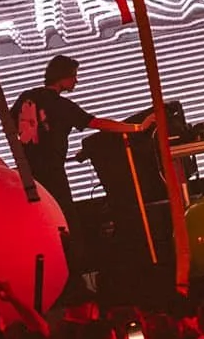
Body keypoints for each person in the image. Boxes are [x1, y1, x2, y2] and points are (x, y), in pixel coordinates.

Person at [10, 53, 145, 225]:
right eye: (73, 76)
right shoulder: (62, 106)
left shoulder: (26, 96)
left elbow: (11, 125)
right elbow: (95, 123)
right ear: (61, 78)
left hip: (27, 171)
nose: (76, 81)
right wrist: (136, 127)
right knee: (64, 217)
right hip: (52, 172)